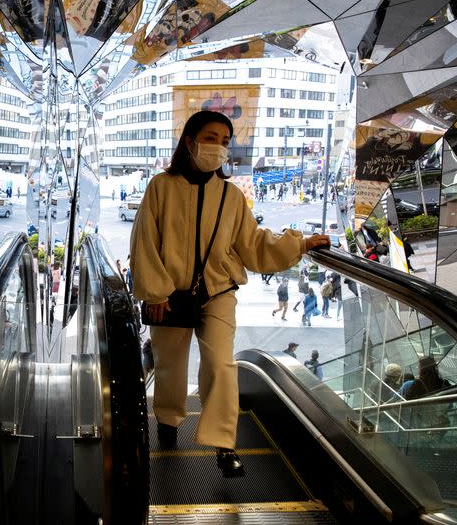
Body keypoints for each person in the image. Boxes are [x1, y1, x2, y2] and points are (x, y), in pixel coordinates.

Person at [130, 110, 329, 478]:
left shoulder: (231, 195)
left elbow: (254, 243)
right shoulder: (161, 186)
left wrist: (300, 244)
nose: (219, 147)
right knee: (170, 363)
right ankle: (169, 420)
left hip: (219, 290)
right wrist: (154, 293)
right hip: (169, 294)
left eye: (225, 141)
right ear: (189, 142)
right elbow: (145, 241)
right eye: (211, 138)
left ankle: (224, 445)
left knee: (222, 364)